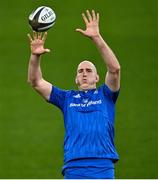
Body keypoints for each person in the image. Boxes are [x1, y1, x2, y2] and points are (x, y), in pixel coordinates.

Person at [27, 9, 121, 179]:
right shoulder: (66, 98)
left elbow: (114, 69)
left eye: (88, 70)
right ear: (76, 79)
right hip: (73, 168)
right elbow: (36, 82)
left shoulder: (106, 95)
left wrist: (96, 38)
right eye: (80, 71)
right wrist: (35, 57)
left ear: (97, 77)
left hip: (103, 167)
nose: (84, 73)